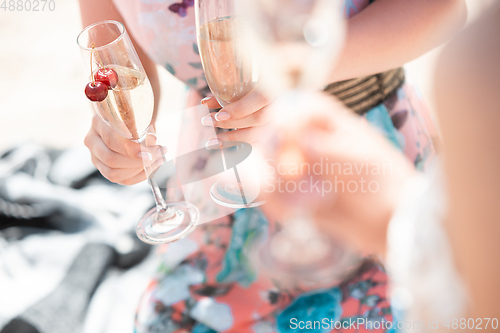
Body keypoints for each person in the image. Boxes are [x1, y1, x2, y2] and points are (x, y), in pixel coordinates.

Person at [78, 0, 466, 331]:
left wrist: (296, 77)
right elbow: (119, 68)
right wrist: (113, 132)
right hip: (213, 182)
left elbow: (443, 8)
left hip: (359, 161)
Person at [266, 2, 500, 331]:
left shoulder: (481, 64)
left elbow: (482, 311)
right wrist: (398, 218)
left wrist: (397, 221)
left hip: (374, 138)